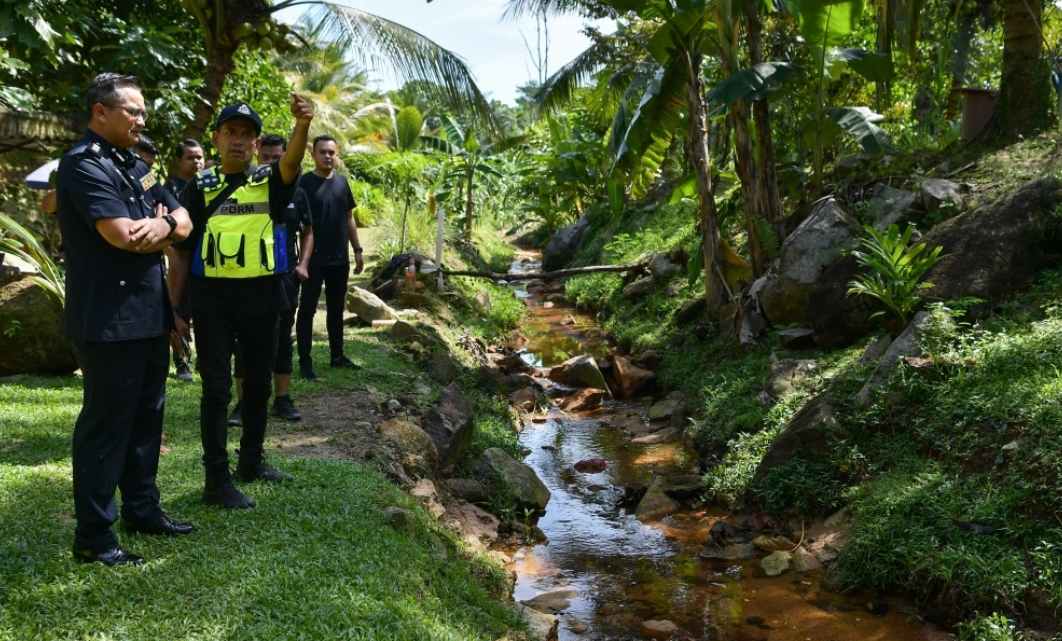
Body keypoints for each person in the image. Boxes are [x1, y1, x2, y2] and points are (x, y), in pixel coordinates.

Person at [55, 72, 195, 567]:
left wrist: (161, 223)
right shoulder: (81, 166)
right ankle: (94, 538)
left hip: (150, 311)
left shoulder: (138, 166)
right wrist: (164, 229)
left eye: (142, 111)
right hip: (108, 317)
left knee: (146, 419)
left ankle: (143, 510)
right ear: (101, 113)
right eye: (132, 110)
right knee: (107, 425)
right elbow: (120, 235)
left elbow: (183, 221)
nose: (141, 119)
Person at [168, 95, 312, 509]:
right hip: (212, 301)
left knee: (258, 383)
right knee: (215, 389)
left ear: (254, 145)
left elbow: (291, 163)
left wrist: (301, 125)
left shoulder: (270, 180)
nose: (238, 140)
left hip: (263, 299)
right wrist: (176, 309)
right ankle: (217, 480)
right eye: (230, 132)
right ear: (216, 139)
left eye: (246, 135)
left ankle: (251, 460)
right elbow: (181, 251)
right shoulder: (198, 188)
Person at [228, 133, 315, 425]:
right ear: (256, 155)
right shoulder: (245, 189)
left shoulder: (295, 192)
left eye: (276, 158)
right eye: (265, 158)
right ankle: (242, 405)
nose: (269, 163)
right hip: (249, 276)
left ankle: (282, 399)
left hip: (285, 275)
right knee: (243, 341)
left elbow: (308, 232)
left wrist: (302, 265)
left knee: (282, 338)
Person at [295, 135, 364, 381]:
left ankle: (337, 357)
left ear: (337, 155)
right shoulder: (303, 184)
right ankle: (305, 363)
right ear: (312, 155)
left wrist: (357, 250)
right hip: (312, 259)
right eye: (322, 151)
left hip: (339, 259)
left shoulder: (343, 183)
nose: (327, 156)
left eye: (331, 152)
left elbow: (348, 217)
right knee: (307, 310)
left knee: (336, 309)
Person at [164, 139, 205, 383]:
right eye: (191, 157)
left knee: (204, 315)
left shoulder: (208, 185)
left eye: (199, 157)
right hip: (180, 264)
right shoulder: (170, 189)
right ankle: (182, 362)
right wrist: (176, 257)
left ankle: (203, 358)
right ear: (179, 161)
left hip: (204, 266)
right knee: (179, 313)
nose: (197, 162)